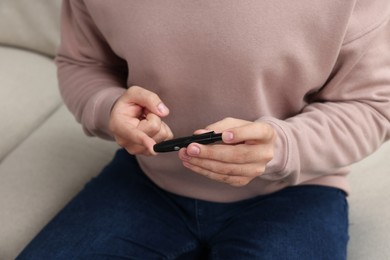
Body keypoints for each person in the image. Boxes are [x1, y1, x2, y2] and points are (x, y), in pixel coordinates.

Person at [18, 0, 390, 259]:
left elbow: (373, 104)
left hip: (295, 191)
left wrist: (285, 146)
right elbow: (82, 62)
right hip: (147, 180)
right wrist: (108, 107)